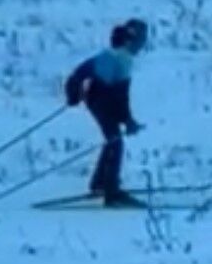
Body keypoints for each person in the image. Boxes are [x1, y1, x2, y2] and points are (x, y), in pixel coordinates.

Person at [64, 18, 149, 206]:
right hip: (101, 100)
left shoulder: (113, 54)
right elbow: (120, 95)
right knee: (115, 141)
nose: (142, 46)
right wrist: (128, 120)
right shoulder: (122, 58)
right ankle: (111, 192)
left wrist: (73, 92)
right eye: (141, 41)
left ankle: (101, 183)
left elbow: (80, 72)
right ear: (131, 40)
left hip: (97, 97)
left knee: (113, 139)